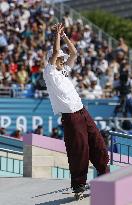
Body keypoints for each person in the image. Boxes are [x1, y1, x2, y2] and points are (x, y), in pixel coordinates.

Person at [43, 23, 109, 194]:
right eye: (59, 59)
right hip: (70, 116)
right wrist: (56, 35)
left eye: (62, 59)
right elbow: (56, 52)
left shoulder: (64, 71)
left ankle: (105, 176)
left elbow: (74, 53)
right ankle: (79, 184)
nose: (63, 60)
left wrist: (64, 36)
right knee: (79, 149)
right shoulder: (49, 72)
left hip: (82, 111)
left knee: (98, 143)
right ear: (53, 60)